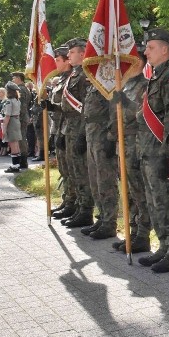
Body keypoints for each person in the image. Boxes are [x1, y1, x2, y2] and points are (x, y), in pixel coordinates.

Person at [136, 28, 169, 273]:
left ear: (165, 50)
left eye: (151, 47)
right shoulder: (155, 77)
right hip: (148, 150)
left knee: (165, 201)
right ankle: (164, 247)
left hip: (161, 151)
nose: (146, 52)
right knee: (154, 200)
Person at [110, 47, 153, 253]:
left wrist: (125, 103)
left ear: (139, 63)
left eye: (130, 60)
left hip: (136, 141)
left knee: (138, 190)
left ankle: (143, 234)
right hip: (123, 142)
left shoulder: (145, 85)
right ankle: (132, 232)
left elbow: (143, 113)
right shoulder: (125, 85)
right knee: (127, 189)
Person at [60, 39, 96, 228]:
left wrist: (82, 134)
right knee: (73, 170)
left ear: (82, 54)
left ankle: (85, 211)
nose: (68, 56)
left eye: (72, 52)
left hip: (79, 129)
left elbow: (86, 107)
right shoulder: (74, 74)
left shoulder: (85, 76)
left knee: (81, 171)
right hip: (69, 127)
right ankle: (77, 207)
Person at [80, 79, 120, 239]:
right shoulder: (93, 85)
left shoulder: (108, 84)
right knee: (95, 181)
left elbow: (114, 110)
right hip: (92, 135)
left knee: (106, 182)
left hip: (103, 136)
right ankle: (102, 217)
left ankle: (110, 223)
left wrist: (111, 137)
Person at [44, 47, 77, 219]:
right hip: (59, 127)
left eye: (57, 60)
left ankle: (75, 204)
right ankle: (68, 200)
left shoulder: (73, 78)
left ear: (66, 61)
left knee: (73, 170)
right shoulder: (61, 80)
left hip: (70, 128)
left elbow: (73, 108)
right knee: (64, 169)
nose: (54, 63)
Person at [10, 72, 31, 169]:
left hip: (21, 117)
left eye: (14, 78)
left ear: (19, 78)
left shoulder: (20, 89)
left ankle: (23, 161)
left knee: (21, 139)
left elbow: (21, 105)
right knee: (21, 138)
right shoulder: (23, 88)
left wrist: (17, 116)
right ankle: (23, 160)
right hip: (23, 116)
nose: (13, 80)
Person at [1, 83, 23, 173]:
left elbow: (7, 116)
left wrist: (4, 128)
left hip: (11, 122)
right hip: (16, 120)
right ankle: (17, 164)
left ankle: (15, 166)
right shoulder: (17, 100)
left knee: (13, 144)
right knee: (16, 143)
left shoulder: (9, 101)